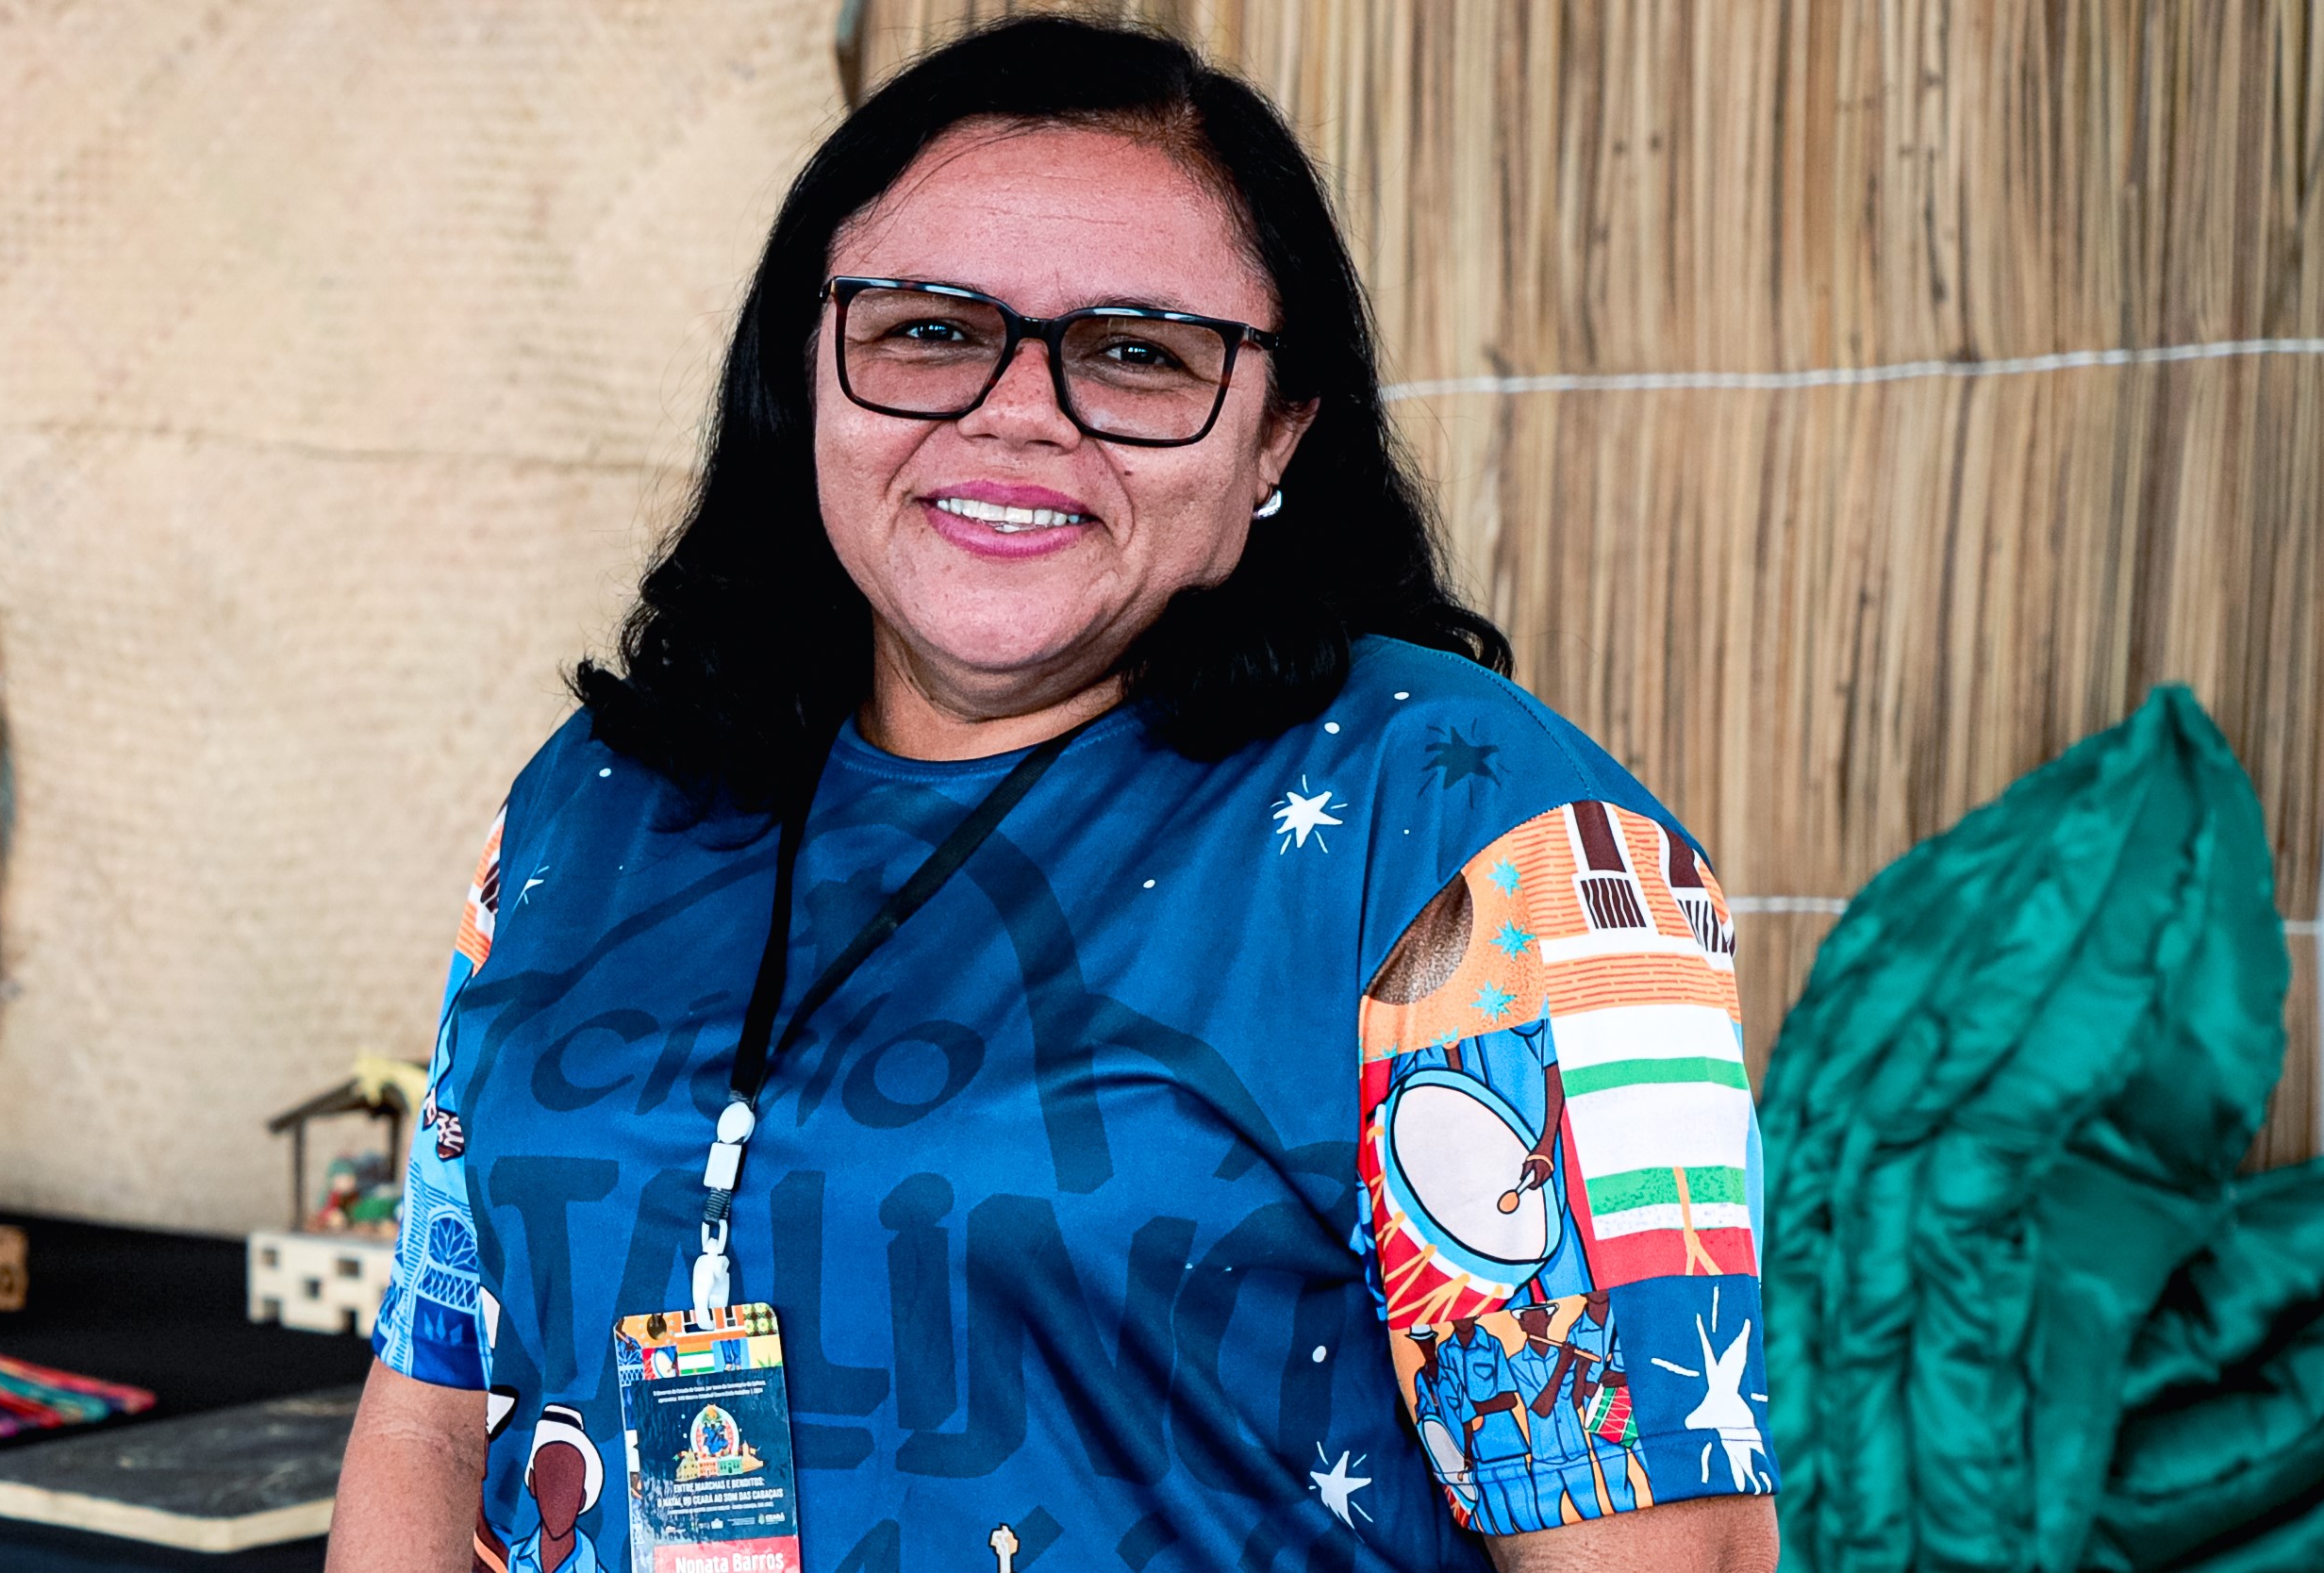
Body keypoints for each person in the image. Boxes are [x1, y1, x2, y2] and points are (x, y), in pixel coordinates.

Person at [330, 18, 1776, 1573]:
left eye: (1138, 354)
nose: (1016, 411)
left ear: (1278, 434)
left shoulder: (1478, 834)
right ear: (805, 373)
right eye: (929, 330)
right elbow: (431, 1408)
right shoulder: (601, 797)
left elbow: (1666, 1555)